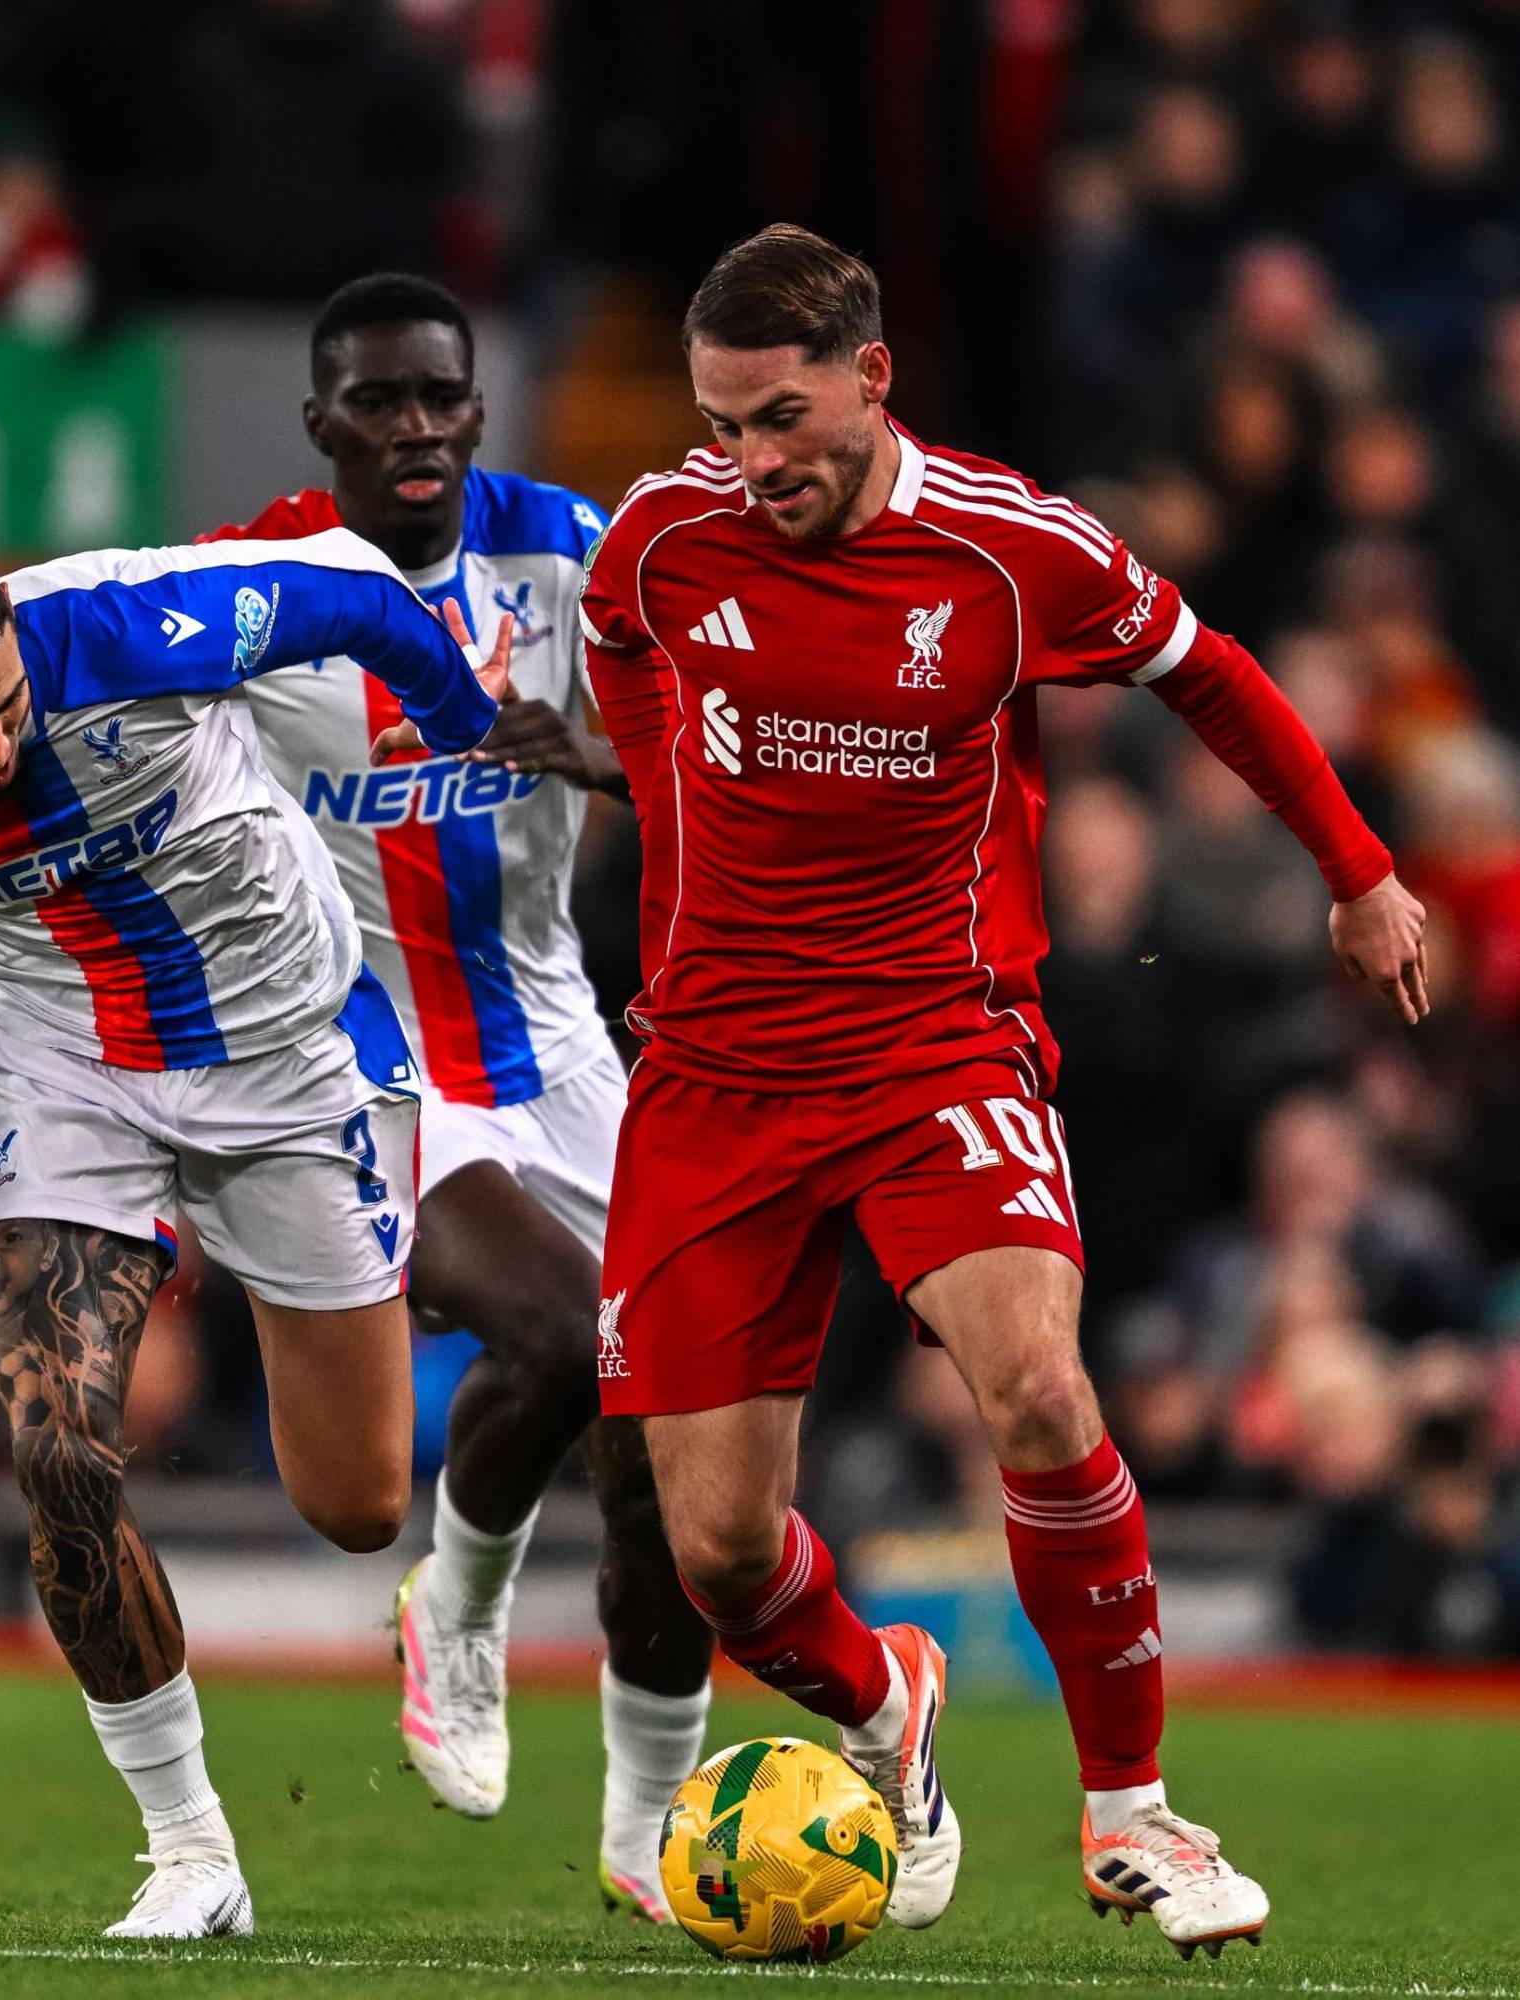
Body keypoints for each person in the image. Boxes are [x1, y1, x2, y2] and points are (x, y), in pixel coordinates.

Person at [579, 226, 1428, 1956]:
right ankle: (884, 1697)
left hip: (933, 1039)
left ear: (872, 378)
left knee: (1036, 1383)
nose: (751, 463)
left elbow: (1210, 673)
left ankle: (1134, 1816)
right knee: (721, 1555)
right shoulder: (663, 538)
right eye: (723, 424)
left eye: (781, 419)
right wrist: (672, 817)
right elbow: (618, 642)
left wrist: (1357, 872)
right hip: (716, 1075)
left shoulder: (1010, 546)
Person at [0, 515, 505, 1939]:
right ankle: (191, 1850)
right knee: (57, 1448)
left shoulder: (138, 620)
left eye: (4, 705)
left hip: (295, 1058)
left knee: (358, 1506)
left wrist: (467, 731)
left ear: (13, 627)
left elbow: (361, 590)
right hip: (66, 1075)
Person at [200, 273, 714, 1920]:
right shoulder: (254, 591)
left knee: (674, 1432)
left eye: (441, 396)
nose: (415, 428)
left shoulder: (579, 556)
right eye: (379, 403)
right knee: (573, 1338)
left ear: (481, 406)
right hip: (364, 1058)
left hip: (557, 1043)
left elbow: (730, 751)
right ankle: (462, 1603)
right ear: (321, 425)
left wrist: (603, 756)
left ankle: (651, 1829)